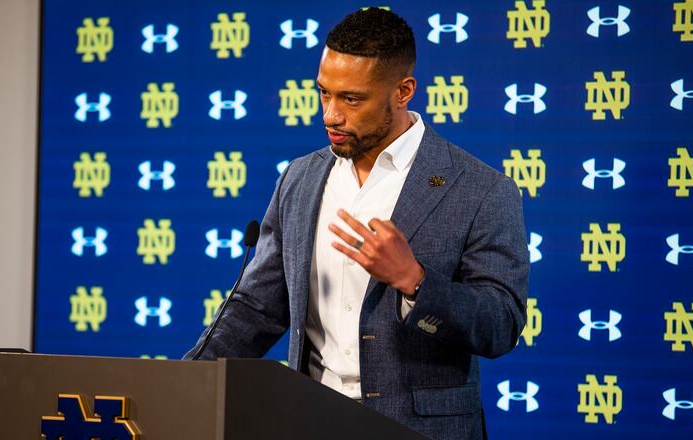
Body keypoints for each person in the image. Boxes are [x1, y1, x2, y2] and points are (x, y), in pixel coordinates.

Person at [185, 7, 529, 439]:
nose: (330, 114)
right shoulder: (300, 178)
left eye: (351, 98)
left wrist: (415, 281)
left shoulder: (480, 189)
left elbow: (501, 324)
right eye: (324, 93)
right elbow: (256, 307)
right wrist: (180, 384)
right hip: (308, 422)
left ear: (403, 91)